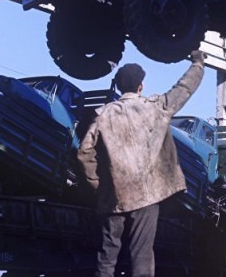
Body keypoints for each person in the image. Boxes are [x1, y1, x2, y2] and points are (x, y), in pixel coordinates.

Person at [77, 50, 206, 277]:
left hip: (113, 198)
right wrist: (198, 63)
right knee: (142, 255)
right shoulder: (156, 108)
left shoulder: (103, 115)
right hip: (146, 197)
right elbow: (184, 89)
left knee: (107, 256)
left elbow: (84, 152)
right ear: (141, 86)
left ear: (118, 87)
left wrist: (98, 185)